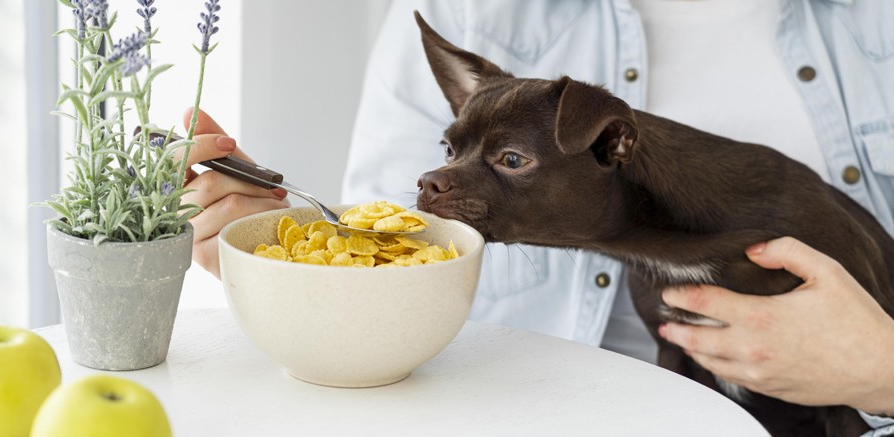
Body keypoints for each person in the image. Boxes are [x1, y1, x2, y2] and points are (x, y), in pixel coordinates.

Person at [181, 0, 894, 432]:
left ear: (615, 141)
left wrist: (879, 370)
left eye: (510, 160)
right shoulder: (469, 10)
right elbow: (379, 268)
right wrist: (272, 253)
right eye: (452, 150)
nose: (437, 182)